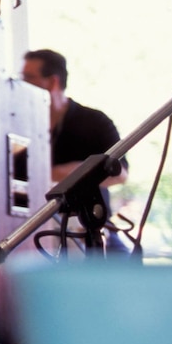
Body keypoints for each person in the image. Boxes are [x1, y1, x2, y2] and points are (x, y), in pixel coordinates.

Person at [21, 48, 129, 254]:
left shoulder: (95, 121)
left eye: (29, 78)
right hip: (31, 229)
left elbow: (120, 173)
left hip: (87, 229)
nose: (21, 85)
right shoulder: (16, 122)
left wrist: (50, 175)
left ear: (53, 82)